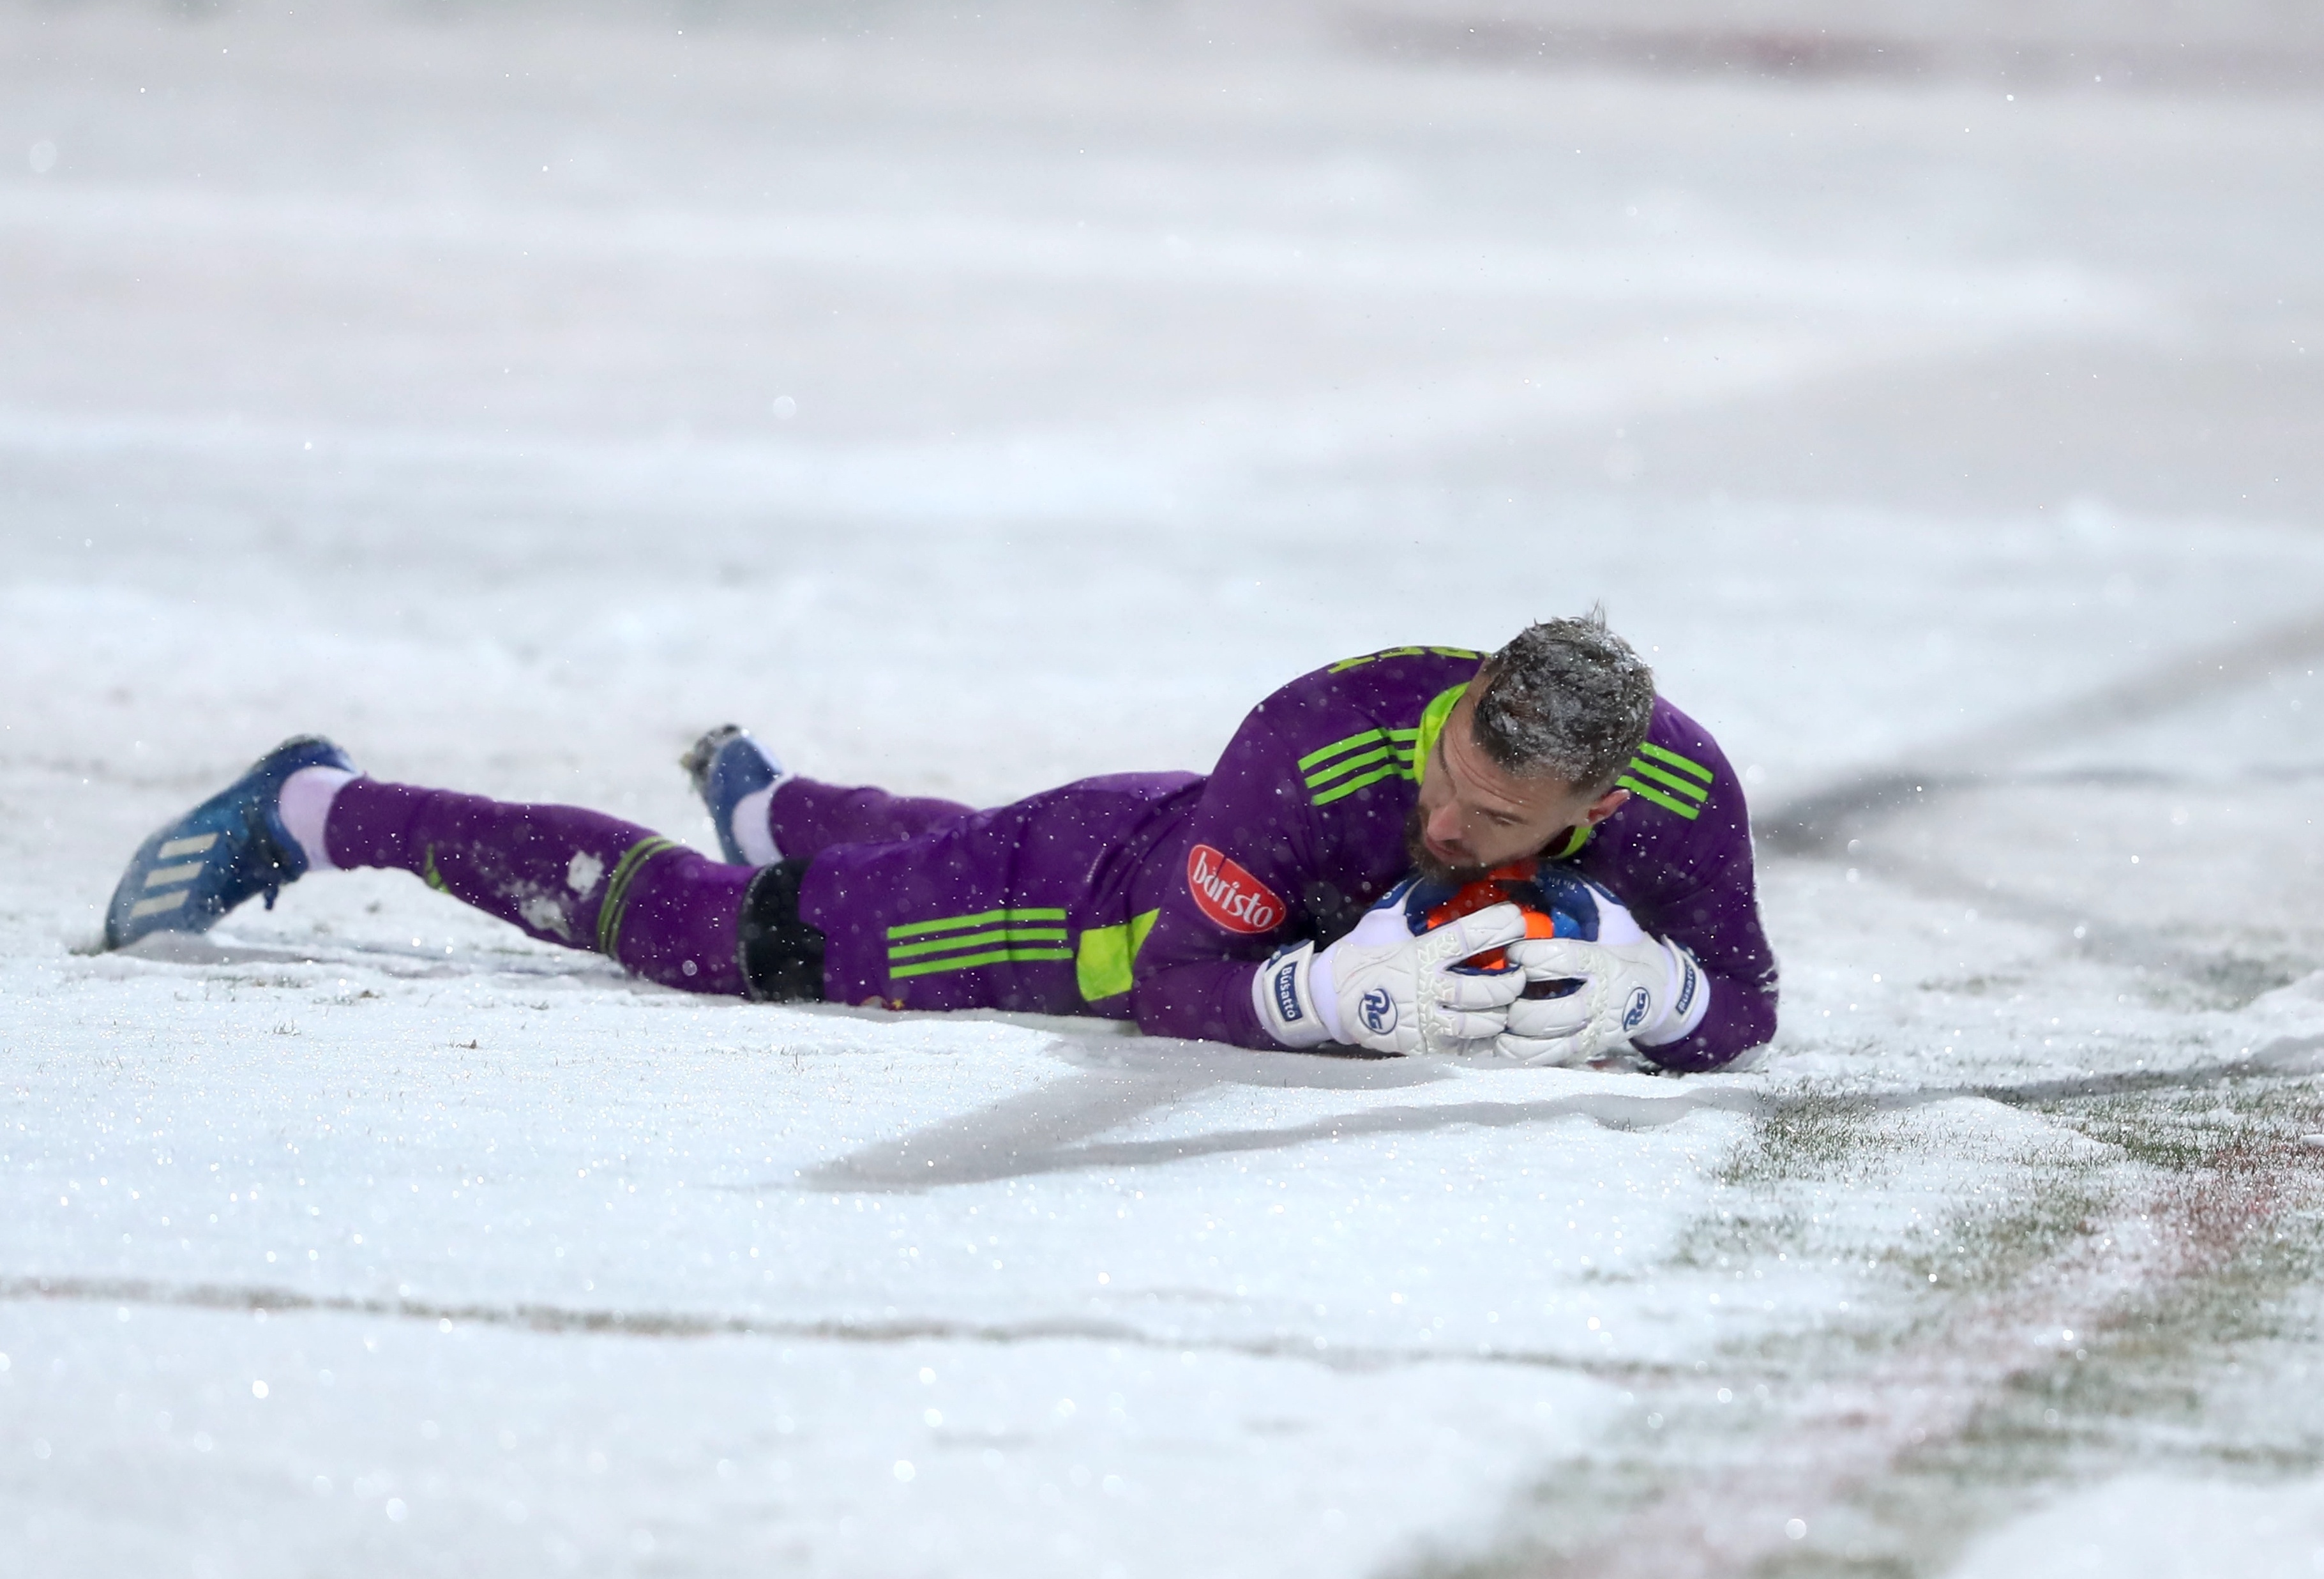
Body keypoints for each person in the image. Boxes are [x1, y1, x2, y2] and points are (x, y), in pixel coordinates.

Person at [100, 614, 1777, 1070]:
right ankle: (320, 805)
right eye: (1449, 772)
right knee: (725, 930)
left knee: (894, 843)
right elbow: (1183, 972)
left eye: (1495, 823)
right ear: (1468, 693)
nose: (1445, 820)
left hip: (1145, 830)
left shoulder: (1685, 798)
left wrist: (1659, 999)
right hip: (1073, 918)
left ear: (1598, 807)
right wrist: (1316, 1003)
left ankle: (771, 794)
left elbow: (1746, 1007)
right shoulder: (1324, 732)